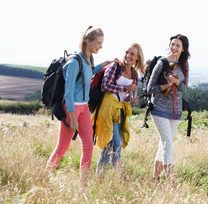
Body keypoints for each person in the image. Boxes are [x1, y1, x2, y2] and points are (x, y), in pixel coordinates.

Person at [46, 26, 114, 188]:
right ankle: (46, 177)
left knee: (89, 146)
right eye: (98, 43)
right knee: (63, 146)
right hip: (72, 108)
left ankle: (83, 186)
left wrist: (103, 64)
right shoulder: (74, 63)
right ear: (87, 41)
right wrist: (73, 118)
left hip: (83, 107)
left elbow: (88, 73)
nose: (101, 46)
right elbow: (69, 93)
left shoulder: (87, 59)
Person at [94, 43, 145, 177]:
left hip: (120, 110)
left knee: (108, 146)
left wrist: (131, 98)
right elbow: (105, 86)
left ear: (137, 58)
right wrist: (125, 89)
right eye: (127, 52)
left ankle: (97, 178)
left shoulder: (134, 74)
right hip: (108, 109)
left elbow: (127, 95)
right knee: (115, 145)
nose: (128, 56)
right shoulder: (115, 67)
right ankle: (121, 178)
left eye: (132, 54)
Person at [147, 34, 190, 185]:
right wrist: (166, 85)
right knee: (168, 144)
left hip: (176, 111)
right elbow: (150, 88)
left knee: (164, 144)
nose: (174, 48)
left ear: (183, 49)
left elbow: (184, 88)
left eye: (178, 46)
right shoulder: (162, 63)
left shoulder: (185, 65)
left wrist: (177, 82)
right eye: (172, 44)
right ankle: (171, 182)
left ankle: (156, 179)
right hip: (159, 109)